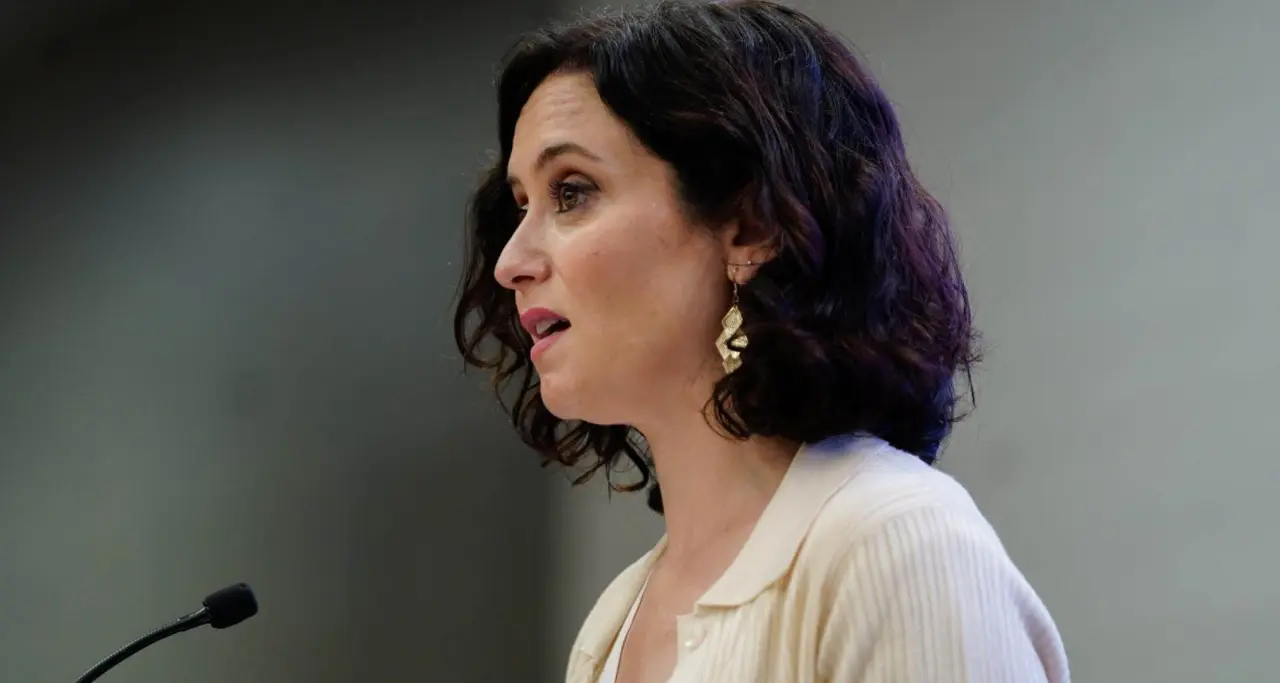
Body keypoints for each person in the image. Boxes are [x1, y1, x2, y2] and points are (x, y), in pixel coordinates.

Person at [453, 1, 1069, 681]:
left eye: (572, 191)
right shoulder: (613, 623)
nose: (510, 262)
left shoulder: (898, 541)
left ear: (750, 227)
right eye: (522, 204)